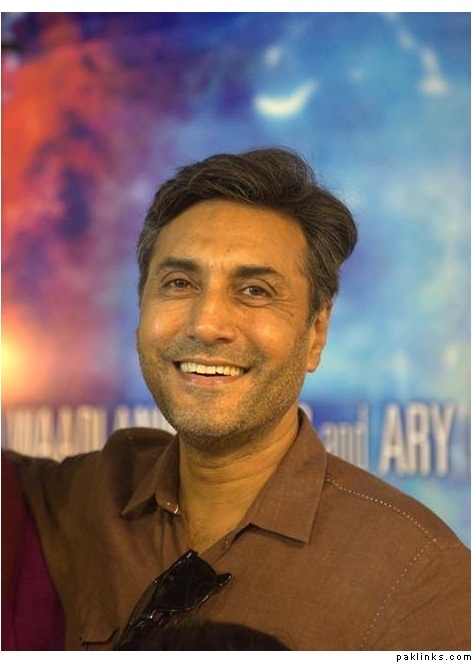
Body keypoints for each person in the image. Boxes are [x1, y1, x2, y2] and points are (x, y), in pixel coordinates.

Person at [7, 148, 470, 651]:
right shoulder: (72, 500)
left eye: (254, 290)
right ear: (141, 309)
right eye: (179, 283)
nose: (207, 324)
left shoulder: (419, 577)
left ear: (316, 332)